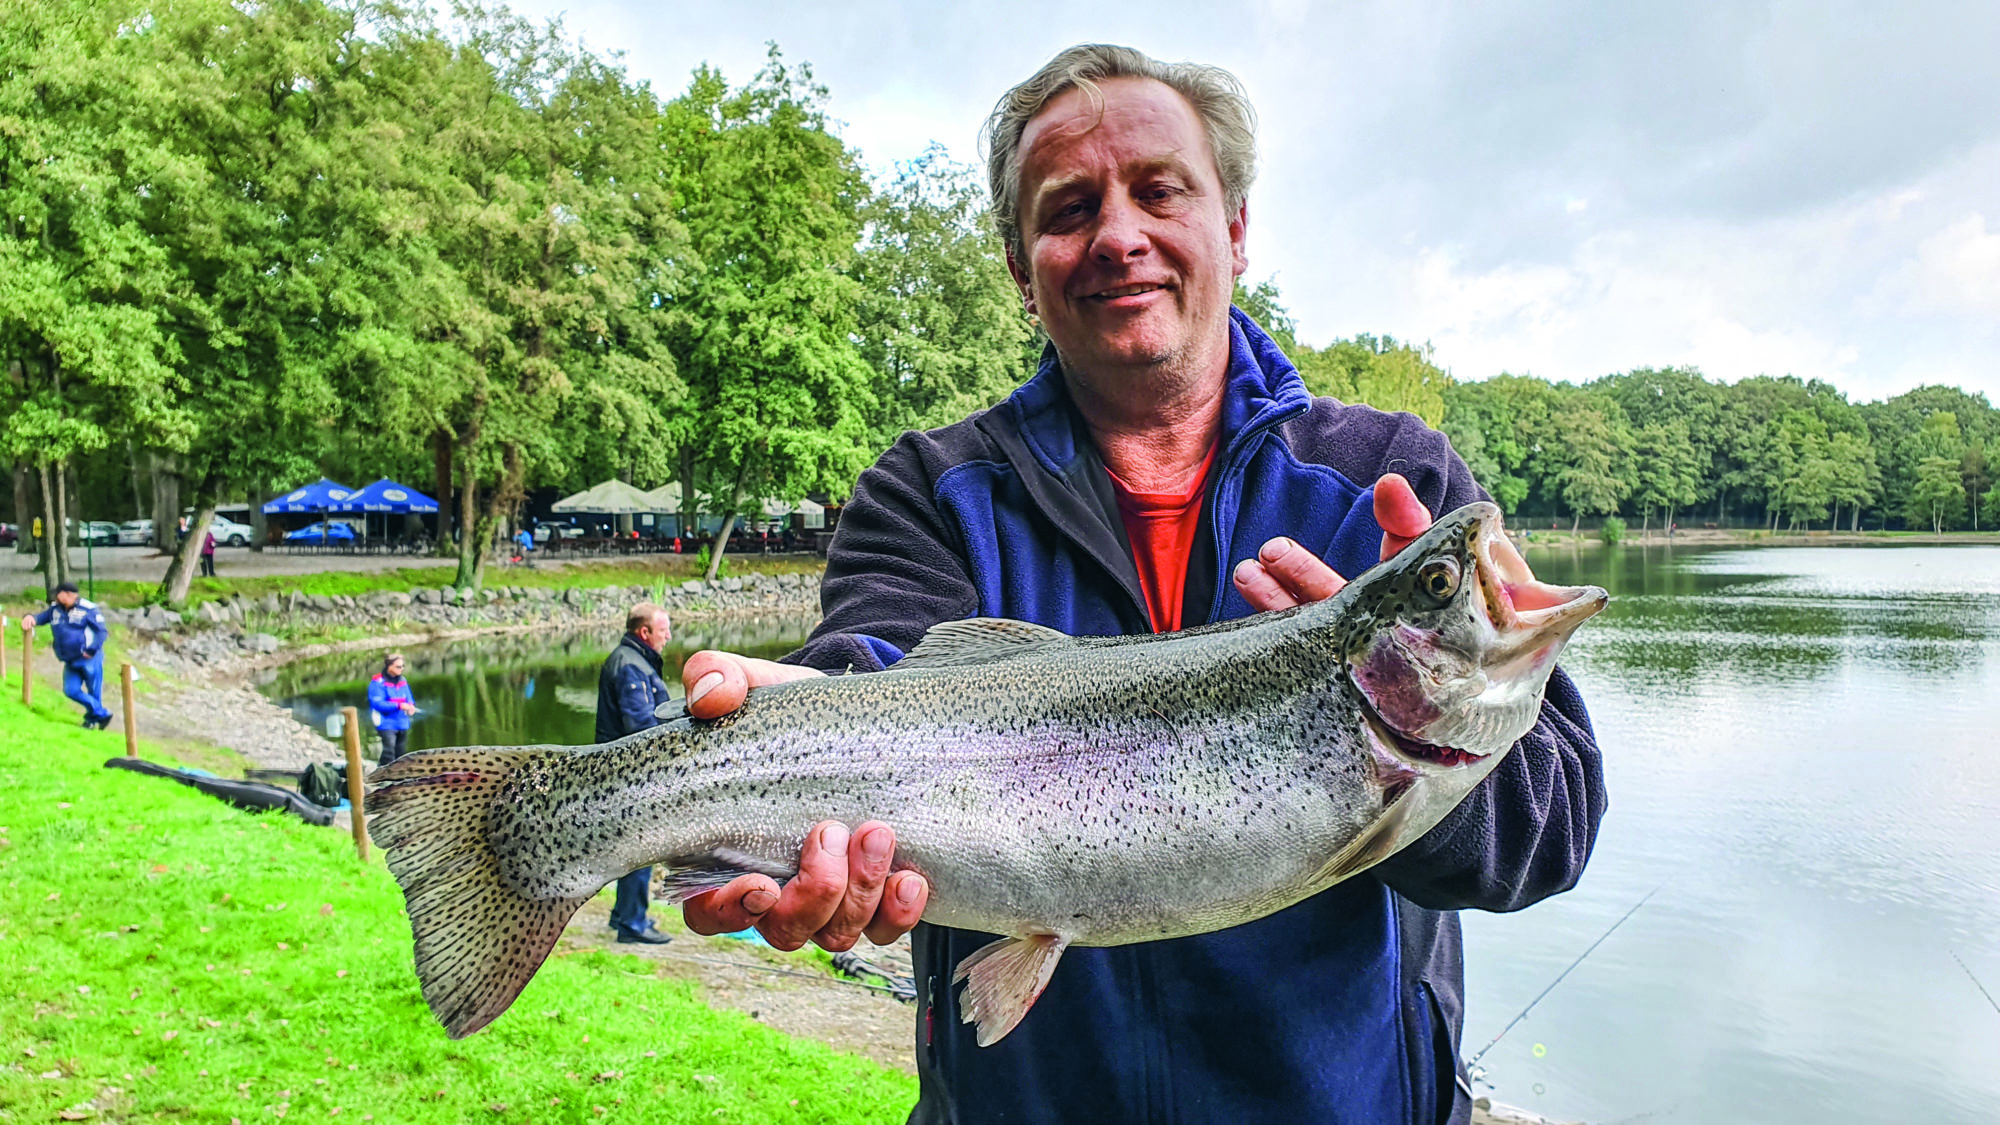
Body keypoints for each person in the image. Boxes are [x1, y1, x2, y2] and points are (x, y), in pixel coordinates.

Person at [674, 44, 1606, 1125]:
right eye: (1068, 208)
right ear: (1023, 271)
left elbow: (1552, 832)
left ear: (1236, 228)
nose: (1119, 235)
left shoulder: (1384, 484)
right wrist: (802, 745)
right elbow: (871, 666)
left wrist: (1368, 717)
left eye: (1160, 190)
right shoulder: (929, 489)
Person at [594, 602, 677, 945]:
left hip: (628, 777)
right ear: (644, 632)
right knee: (641, 849)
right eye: (663, 630)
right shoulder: (630, 666)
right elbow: (640, 727)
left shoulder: (633, 660)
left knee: (633, 850)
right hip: (631, 779)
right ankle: (631, 924)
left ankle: (624, 915)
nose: (668, 637)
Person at [23, 581, 115, 729]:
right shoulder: (55, 610)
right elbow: (40, 618)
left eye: (58, 594)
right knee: (70, 690)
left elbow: (101, 632)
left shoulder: (88, 609)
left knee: (93, 691)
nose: (56, 597)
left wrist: (92, 650)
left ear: (67, 594)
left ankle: (91, 721)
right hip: (69, 659)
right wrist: (29, 617)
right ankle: (102, 713)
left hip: (89, 658)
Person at [367, 653, 417, 766]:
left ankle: (398, 776)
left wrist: (411, 706)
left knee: (401, 753)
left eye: (403, 666)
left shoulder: (402, 680)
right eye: (398, 667)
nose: (401, 669)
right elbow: (378, 704)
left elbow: (409, 698)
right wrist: (398, 706)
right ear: (389, 666)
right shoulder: (377, 683)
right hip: (386, 722)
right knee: (389, 751)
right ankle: (382, 774)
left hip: (402, 722)